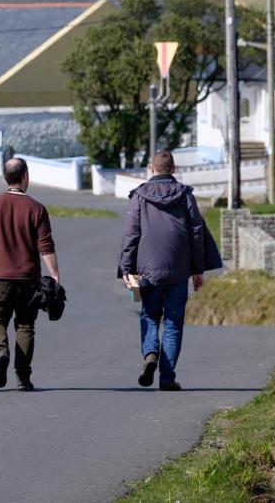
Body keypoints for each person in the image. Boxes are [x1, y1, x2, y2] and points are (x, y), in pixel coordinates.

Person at [118, 149, 205, 391]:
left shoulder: (139, 196)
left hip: (146, 270)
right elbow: (196, 232)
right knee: (174, 323)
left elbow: (131, 235)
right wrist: (198, 269)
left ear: (152, 169)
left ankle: (150, 354)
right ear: (173, 169)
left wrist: (126, 269)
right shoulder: (185, 195)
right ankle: (167, 378)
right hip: (178, 270)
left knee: (149, 315)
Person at [0, 158, 60, 392]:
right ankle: (23, 377)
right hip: (29, 279)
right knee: (25, 326)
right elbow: (46, 246)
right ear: (25, 176)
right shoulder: (36, 208)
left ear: (6, 178)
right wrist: (55, 275)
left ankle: (1, 352)